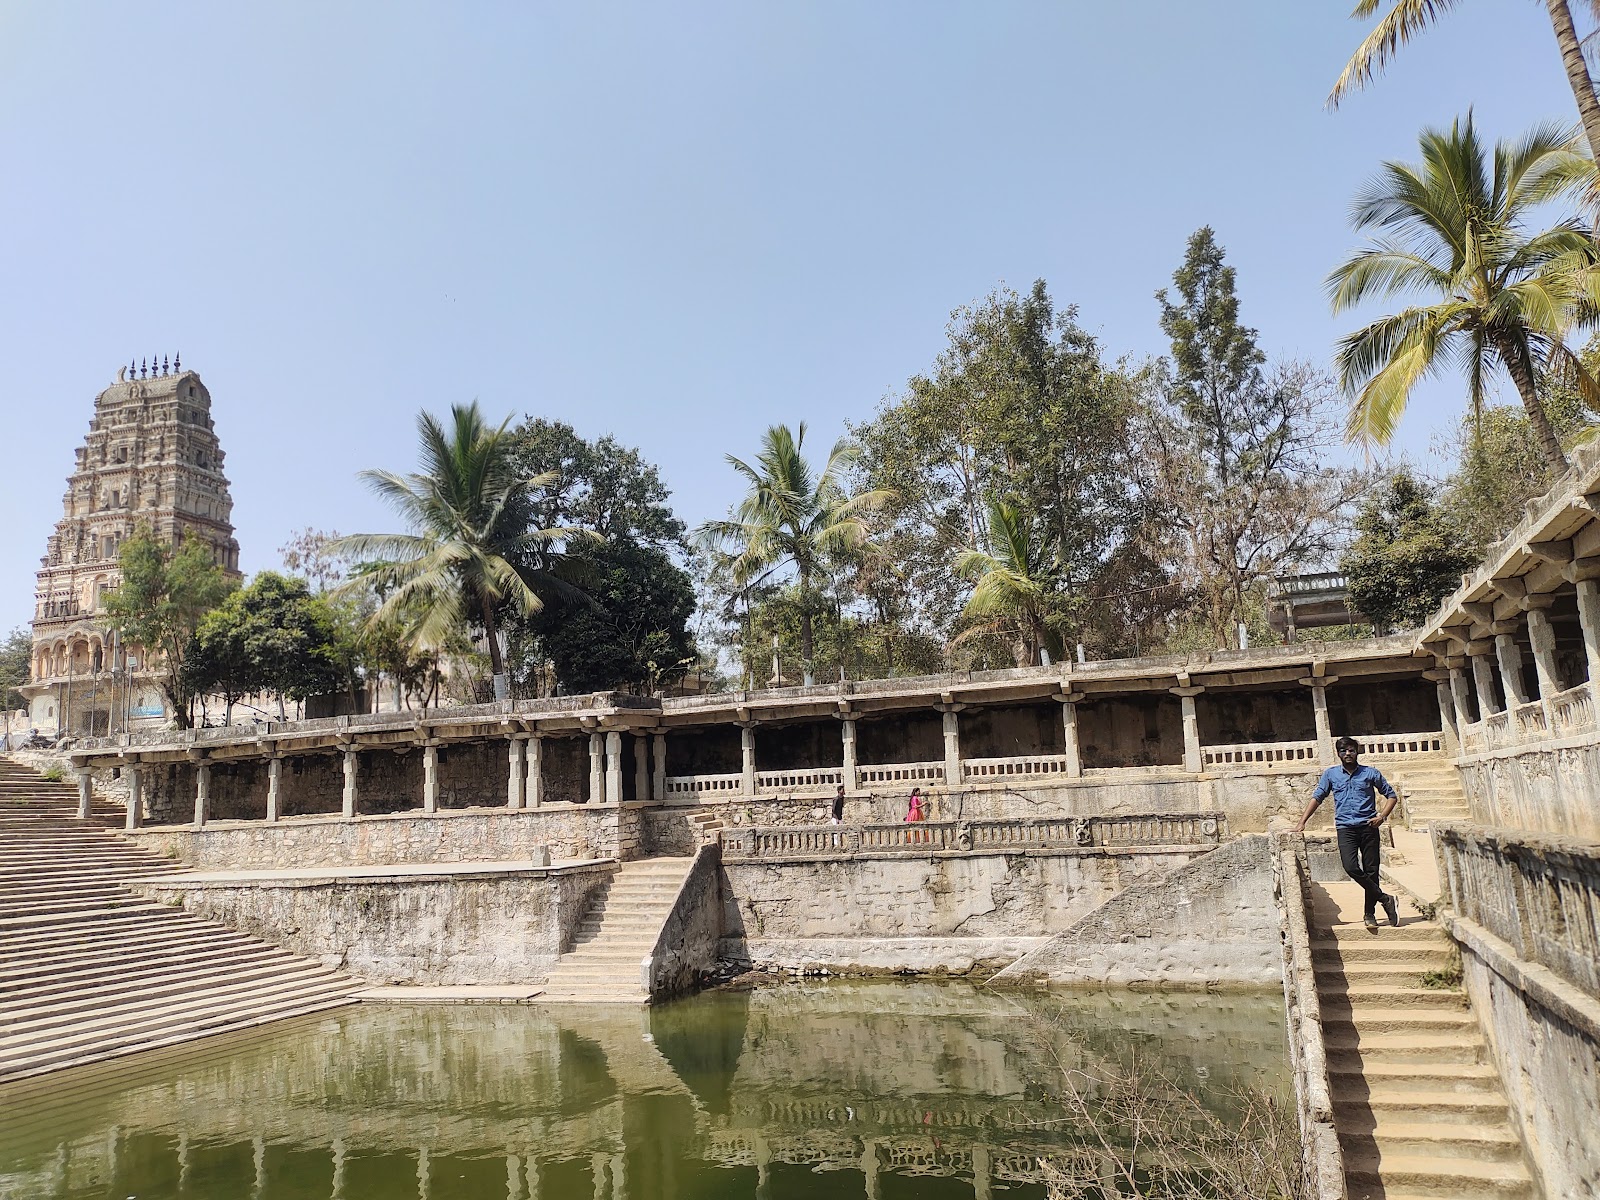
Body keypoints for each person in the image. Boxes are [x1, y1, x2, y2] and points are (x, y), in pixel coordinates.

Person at [1296, 735, 1401, 931]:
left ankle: (1370, 914)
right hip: (1345, 828)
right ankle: (1385, 898)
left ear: (1357, 752)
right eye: (1344, 751)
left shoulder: (1370, 773)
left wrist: (1382, 817)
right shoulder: (1331, 774)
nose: (1348, 754)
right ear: (1338, 754)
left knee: (1371, 871)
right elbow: (1318, 797)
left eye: (1351, 750)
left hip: (1369, 827)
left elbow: (1391, 795)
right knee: (1350, 866)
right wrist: (1302, 822)